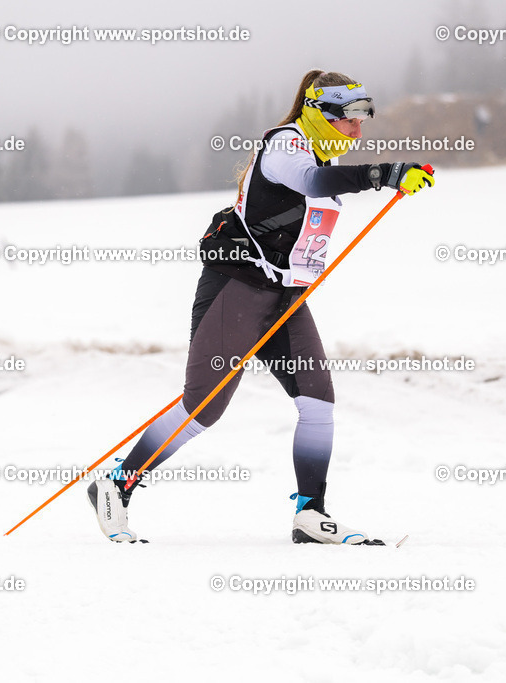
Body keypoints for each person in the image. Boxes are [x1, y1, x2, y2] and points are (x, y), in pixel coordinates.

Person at [87, 69, 434, 544]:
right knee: (201, 410)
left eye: (364, 117)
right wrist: (384, 174)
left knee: (317, 402)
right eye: (349, 118)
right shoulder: (286, 146)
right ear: (319, 113)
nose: (358, 129)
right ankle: (115, 485)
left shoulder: (319, 152)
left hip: (285, 299)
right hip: (237, 289)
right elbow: (311, 181)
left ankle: (310, 514)